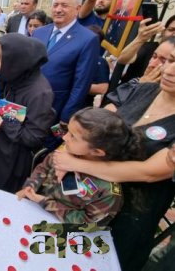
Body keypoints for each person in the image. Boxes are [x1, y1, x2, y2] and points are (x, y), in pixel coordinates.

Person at [53, 46, 175, 270]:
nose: (168, 70)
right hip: (92, 195)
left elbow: (149, 172)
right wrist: (66, 150)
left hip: (133, 212)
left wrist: (77, 162)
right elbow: (97, 126)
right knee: (62, 253)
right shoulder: (145, 90)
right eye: (169, 61)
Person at [17, 107, 143, 224]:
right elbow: (43, 169)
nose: (65, 138)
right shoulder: (66, 153)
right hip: (32, 210)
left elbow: (88, 223)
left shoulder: (108, 192)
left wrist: (45, 203)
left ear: (96, 151)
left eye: (73, 136)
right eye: (67, 131)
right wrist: (30, 187)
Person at [0, 34, 54, 192]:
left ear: (13, 63)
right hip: (0, 149)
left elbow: (34, 137)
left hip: (14, 159)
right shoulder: (15, 76)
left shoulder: (39, 93)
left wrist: (2, 124)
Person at [33, 0, 99, 126]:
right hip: (31, 102)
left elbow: (81, 83)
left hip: (57, 107)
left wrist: (67, 115)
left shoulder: (88, 39)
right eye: (55, 5)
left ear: (77, 8)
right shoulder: (39, 33)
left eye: (64, 5)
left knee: (48, 145)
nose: (58, 9)